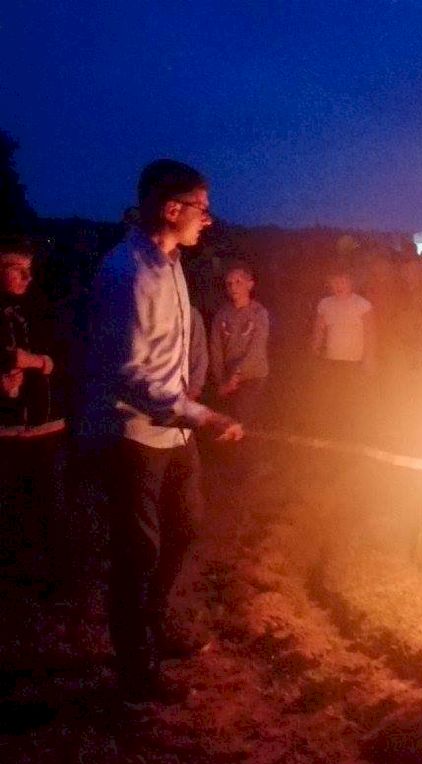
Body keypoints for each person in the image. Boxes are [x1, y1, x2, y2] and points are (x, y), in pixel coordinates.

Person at [83, 159, 242, 703]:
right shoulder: (126, 274)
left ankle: (153, 620)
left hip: (174, 432)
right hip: (134, 435)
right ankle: (136, 667)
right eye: (202, 208)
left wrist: (191, 409)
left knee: (186, 527)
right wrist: (202, 415)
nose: (208, 219)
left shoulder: (172, 262)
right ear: (173, 209)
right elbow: (129, 373)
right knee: (138, 551)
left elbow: (171, 350)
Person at [0, 237, 67, 588]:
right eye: (16, 269)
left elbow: (59, 357)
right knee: (12, 504)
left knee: (50, 504)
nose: (27, 277)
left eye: (29, 269)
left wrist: (35, 361)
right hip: (7, 429)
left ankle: (56, 577)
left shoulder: (40, 310)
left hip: (45, 425)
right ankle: (15, 578)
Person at [209, 262, 269, 472]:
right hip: (227, 380)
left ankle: (250, 465)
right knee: (229, 419)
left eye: (238, 282)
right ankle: (234, 463)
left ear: (250, 284)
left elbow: (256, 348)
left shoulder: (258, 313)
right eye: (229, 283)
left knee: (244, 417)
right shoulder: (222, 315)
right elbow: (215, 349)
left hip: (252, 376)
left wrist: (235, 376)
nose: (233, 287)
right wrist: (220, 380)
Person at [311, 264, 374, 439]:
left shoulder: (362, 305)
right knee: (333, 399)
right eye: (335, 282)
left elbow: (370, 333)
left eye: (343, 281)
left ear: (351, 283)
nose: (339, 285)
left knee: (352, 400)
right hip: (332, 360)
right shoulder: (325, 304)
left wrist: (369, 358)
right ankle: (332, 432)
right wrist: (314, 350)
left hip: (354, 362)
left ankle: (353, 433)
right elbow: (319, 329)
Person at [188, 305, 208, 400]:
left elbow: (199, 353)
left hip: (181, 387)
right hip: (151, 385)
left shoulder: (191, 315)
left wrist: (195, 385)